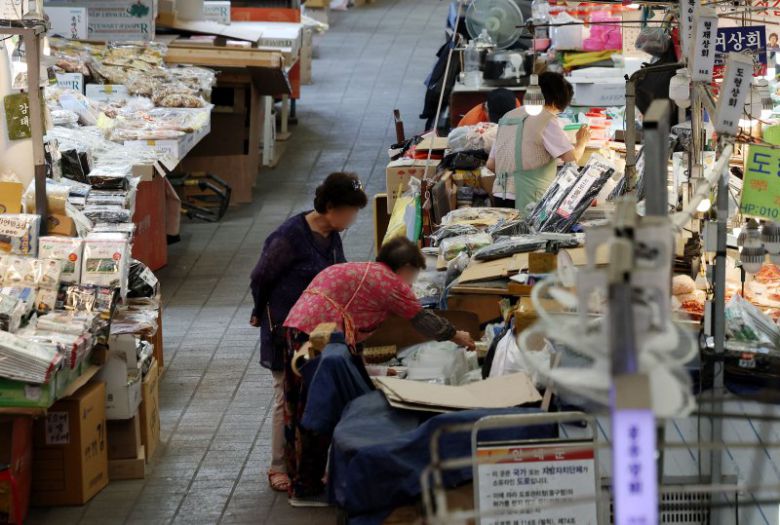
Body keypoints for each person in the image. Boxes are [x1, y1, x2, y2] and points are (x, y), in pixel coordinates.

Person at [282, 237, 476, 503]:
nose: (411, 282)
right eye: (414, 274)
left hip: (298, 326)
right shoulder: (390, 283)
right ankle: (306, 486)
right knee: (318, 408)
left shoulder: (363, 270)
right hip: (318, 338)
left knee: (302, 403)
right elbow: (423, 320)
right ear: (405, 266)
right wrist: (458, 336)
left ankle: (302, 478)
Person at [249, 172, 367, 493]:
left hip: (318, 332)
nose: (353, 218)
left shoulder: (332, 235)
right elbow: (260, 276)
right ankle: (278, 466)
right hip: (284, 328)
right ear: (330, 207)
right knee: (283, 397)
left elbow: (338, 275)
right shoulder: (289, 236)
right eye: (350, 211)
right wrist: (259, 312)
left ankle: (309, 467)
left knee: (312, 396)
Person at [487, 72, 591, 211]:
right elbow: (571, 158)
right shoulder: (545, 118)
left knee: (506, 232)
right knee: (529, 233)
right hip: (527, 197)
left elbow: (491, 164)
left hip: (500, 194)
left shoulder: (507, 117)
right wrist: (581, 142)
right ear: (555, 102)